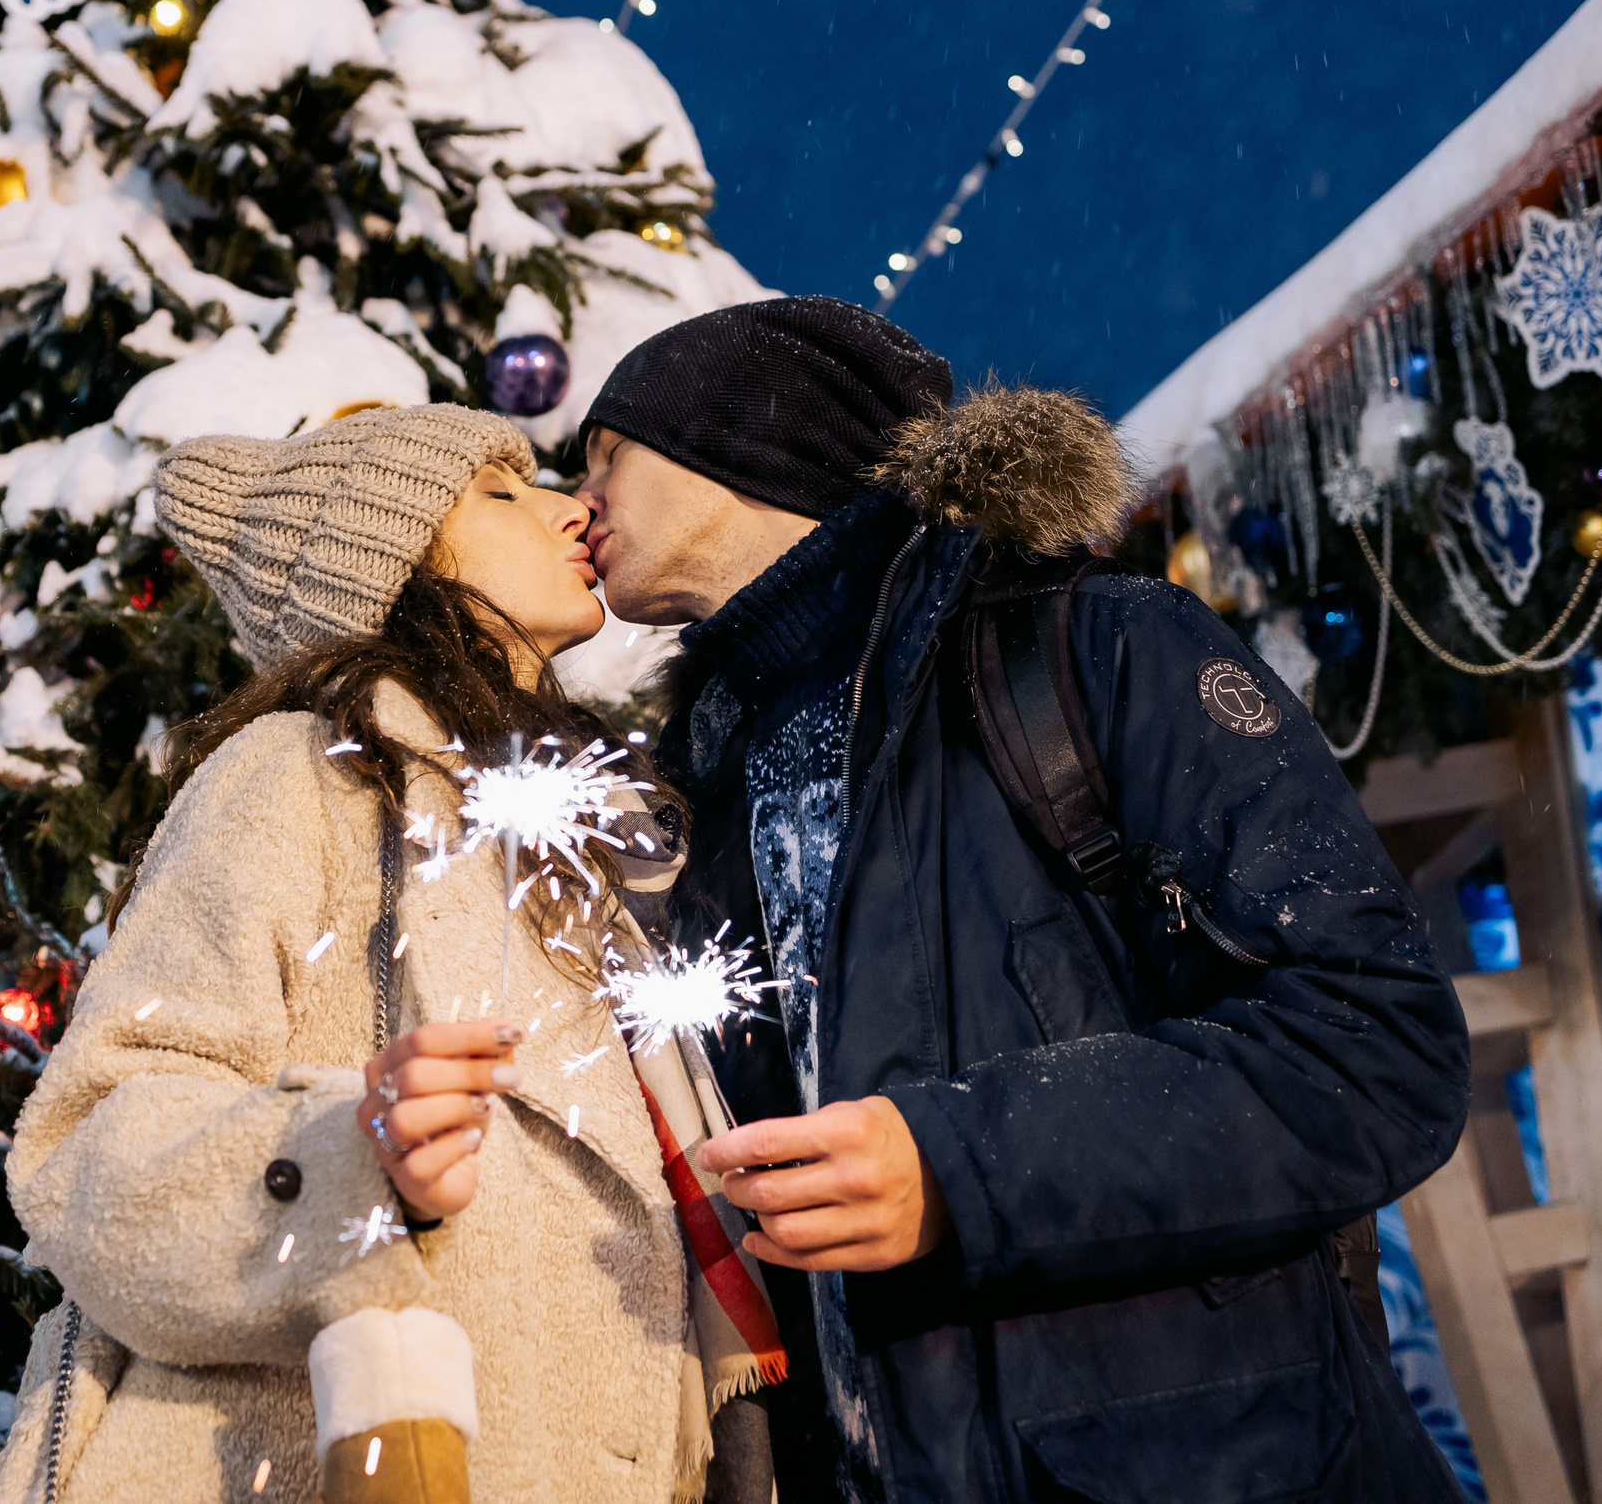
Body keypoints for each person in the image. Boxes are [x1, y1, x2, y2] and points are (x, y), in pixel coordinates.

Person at [573, 296, 1474, 1504]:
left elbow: (1374, 1049)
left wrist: (956, 1166)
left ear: (744, 445)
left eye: (605, 456)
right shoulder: (697, 793)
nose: (576, 501)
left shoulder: (1099, 653)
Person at [0, 405, 781, 1504]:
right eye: (502, 495)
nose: (571, 508)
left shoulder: (593, 844)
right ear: (397, 563)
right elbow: (87, 1143)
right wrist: (343, 1153)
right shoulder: (302, 775)